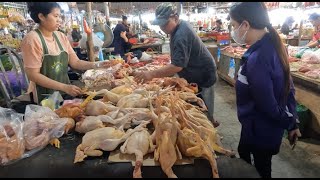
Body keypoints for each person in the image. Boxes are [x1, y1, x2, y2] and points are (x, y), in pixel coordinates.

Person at [228, 2, 301, 178]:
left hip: (261, 129)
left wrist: (291, 123)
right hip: (254, 125)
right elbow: (289, 88)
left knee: (261, 168)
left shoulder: (258, 59)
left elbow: (268, 104)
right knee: (244, 152)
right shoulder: (272, 46)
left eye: (233, 26)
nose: (233, 31)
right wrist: (293, 121)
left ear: (245, 25)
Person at [133, 2, 219, 127]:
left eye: (165, 23)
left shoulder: (181, 34)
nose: (163, 28)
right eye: (160, 24)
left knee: (203, 103)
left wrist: (151, 74)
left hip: (203, 72)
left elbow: (177, 66)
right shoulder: (178, 27)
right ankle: (209, 120)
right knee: (198, 99)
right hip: (195, 69)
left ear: (176, 17)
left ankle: (209, 124)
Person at [21, 2, 106, 104]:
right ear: (41, 16)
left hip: (64, 93)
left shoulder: (61, 37)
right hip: (43, 97)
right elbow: (33, 75)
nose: (59, 20)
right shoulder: (32, 39)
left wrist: (98, 64)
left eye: (60, 16)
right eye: (56, 16)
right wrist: (64, 87)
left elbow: (76, 62)